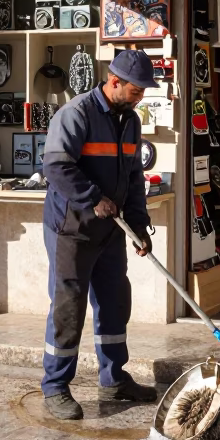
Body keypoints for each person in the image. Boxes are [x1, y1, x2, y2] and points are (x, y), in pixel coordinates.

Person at [39, 49, 158, 419]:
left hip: (112, 229)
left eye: (143, 92)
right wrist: (93, 198)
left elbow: (134, 177)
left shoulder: (131, 121)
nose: (141, 97)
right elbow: (56, 166)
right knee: (68, 305)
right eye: (136, 91)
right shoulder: (76, 114)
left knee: (114, 299)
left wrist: (139, 224)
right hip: (71, 228)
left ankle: (114, 377)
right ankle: (56, 386)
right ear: (114, 81)